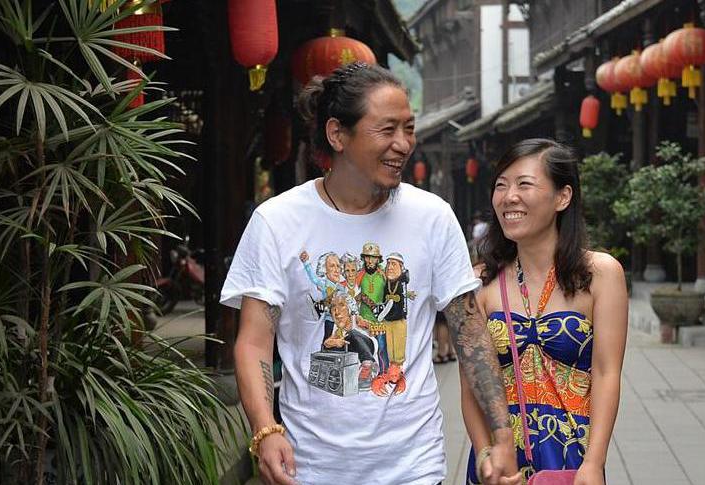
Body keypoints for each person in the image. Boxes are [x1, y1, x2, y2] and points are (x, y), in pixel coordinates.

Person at [222, 62, 520, 485]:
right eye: (387, 130)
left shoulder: (432, 217)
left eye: (409, 129)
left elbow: (470, 333)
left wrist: (501, 437)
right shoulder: (277, 222)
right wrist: (265, 430)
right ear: (337, 134)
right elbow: (254, 341)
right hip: (311, 468)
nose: (403, 144)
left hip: (413, 466)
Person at [462, 139, 628, 484]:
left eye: (524, 184)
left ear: (562, 197)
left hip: (572, 460)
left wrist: (594, 463)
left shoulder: (601, 274)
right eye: (501, 186)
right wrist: (485, 457)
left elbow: (606, 373)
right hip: (501, 466)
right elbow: (471, 387)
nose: (509, 197)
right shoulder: (478, 283)